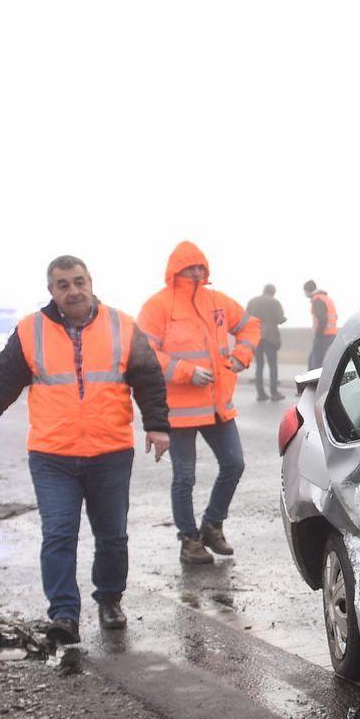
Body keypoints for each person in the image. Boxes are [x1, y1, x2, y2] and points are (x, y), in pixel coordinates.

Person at [0, 255, 169, 641]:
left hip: (110, 452)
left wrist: (157, 426)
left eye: (78, 281)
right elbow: (2, 383)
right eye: (63, 285)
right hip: (53, 455)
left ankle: (109, 600)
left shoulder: (122, 325)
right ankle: (64, 615)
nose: (73, 291)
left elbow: (149, 378)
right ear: (51, 291)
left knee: (112, 536)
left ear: (90, 282)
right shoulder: (30, 330)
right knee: (58, 534)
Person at [138, 241, 259, 566]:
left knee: (234, 464)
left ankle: (212, 524)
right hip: (178, 411)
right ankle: (189, 540)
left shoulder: (216, 301)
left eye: (199, 267)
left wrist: (241, 355)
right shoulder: (158, 306)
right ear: (175, 270)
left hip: (218, 406)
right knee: (185, 477)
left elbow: (250, 325)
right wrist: (185, 372)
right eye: (189, 267)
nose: (195, 272)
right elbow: (144, 353)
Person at [246, 282, 285, 400]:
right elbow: (279, 319)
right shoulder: (274, 302)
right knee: (272, 365)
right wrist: (283, 319)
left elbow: (246, 317)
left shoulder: (252, 301)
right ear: (273, 292)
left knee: (259, 366)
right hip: (270, 337)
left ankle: (260, 394)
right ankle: (274, 392)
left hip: (256, 337)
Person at [305, 279, 338, 369]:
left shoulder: (317, 300)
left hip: (323, 335)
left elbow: (322, 320)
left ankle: (314, 383)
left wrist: (318, 334)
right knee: (314, 361)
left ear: (308, 291)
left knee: (314, 363)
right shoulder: (326, 298)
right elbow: (335, 316)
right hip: (332, 334)